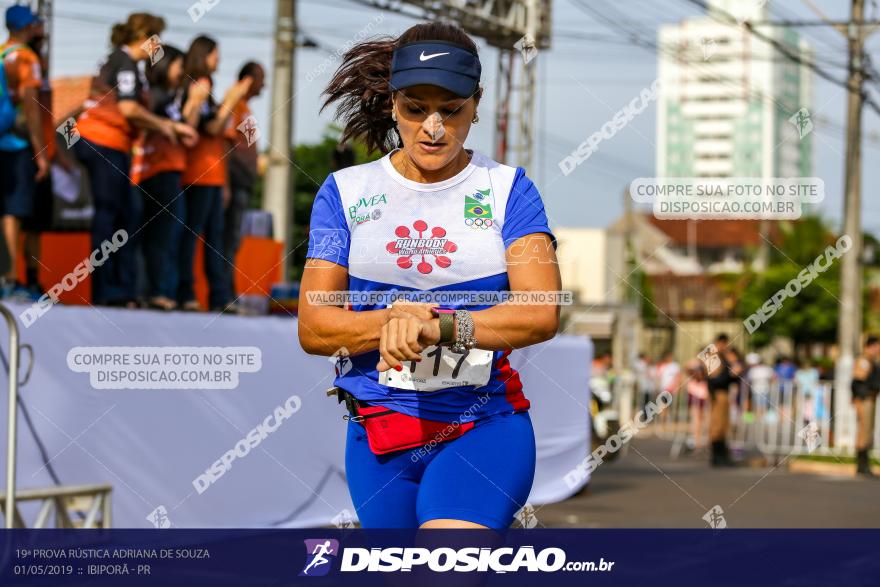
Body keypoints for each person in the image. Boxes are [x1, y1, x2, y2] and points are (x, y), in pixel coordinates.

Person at [298, 21, 560, 529]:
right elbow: (314, 325)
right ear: (392, 104)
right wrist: (392, 321)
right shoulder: (344, 193)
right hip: (380, 436)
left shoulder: (509, 189)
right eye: (415, 109)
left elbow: (540, 312)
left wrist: (437, 325)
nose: (433, 127)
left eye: (451, 110)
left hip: (483, 426)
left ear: (477, 103)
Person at [74, 13, 194, 306]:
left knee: (123, 216)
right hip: (102, 141)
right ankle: (107, 291)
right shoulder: (124, 62)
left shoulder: (124, 62)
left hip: (109, 143)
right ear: (144, 37)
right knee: (111, 216)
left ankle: (121, 289)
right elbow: (128, 109)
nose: (159, 46)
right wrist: (166, 125)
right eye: (157, 39)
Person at [176, 35, 250, 312]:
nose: (218, 59)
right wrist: (231, 99)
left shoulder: (206, 86)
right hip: (197, 173)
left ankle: (219, 297)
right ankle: (186, 293)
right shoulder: (198, 85)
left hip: (214, 175)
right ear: (204, 55)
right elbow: (211, 128)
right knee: (192, 236)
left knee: (215, 240)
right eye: (215, 53)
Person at [131, 44, 196, 311]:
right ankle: (155, 291)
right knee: (162, 236)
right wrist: (175, 127)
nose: (182, 71)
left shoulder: (168, 96)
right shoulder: (155, 95)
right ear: (166, 65)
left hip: (167, 170)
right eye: (179, 65)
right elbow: (143, 121)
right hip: (156, 171)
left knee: (165, 235)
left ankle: (155, 291)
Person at [0, 5, 48, 297]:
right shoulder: (28, 57)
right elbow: (31, 108)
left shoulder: (2, 52)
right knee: (13, 214)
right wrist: (41, 153)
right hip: (16, 143)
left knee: (5, 211)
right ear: (27, 28)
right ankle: (8, 280)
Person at [223, 60, 264, 303]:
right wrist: (226, 182)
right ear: (248, 80)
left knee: (233, 240)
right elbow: (225, 143)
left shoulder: (244, 108)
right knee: (228, 240)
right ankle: (224, 297)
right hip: (234, 182)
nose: (264, 84)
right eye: (261, 78)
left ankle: (227, 294)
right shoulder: (235, 106)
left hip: (243, 184)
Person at [706, 334, 737, 466]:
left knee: (724, 425)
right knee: (717, 426)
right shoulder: (713, 357)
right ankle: (717, 456)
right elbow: (714, 380)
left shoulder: (724, 358)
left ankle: (723, 455)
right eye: (723, 343)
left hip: (724, 394)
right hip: (718, 394)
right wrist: (730, 374)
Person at [851, 335, 880, 477]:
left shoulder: (872, 361)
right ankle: (862, 466)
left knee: (868, 431)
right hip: (865, 399)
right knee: (864, 430)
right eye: (876, 346)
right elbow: (858, 381)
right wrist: (862, 397)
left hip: (870, 399)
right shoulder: (863, 360)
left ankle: (864, 466)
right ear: (870, 346)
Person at [685, 359, 709, 451]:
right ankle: (697, 442)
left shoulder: (708, 365)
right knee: (696, 420)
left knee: (705, 420)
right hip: (695, 394)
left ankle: (704, 441)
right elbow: (687, 370)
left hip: (704, 395)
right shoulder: (694, 363)